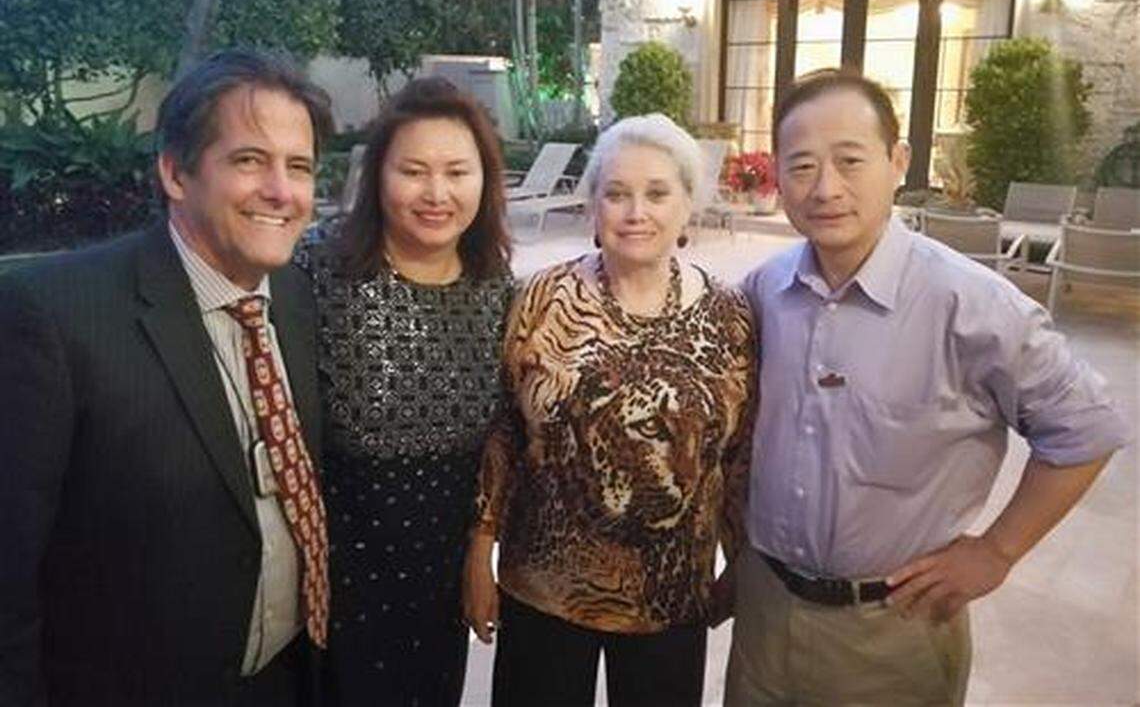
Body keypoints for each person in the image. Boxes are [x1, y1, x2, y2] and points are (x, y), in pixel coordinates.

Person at [727, 68, 1131, 706]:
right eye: (801, 166)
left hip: (895, 629)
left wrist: (998, 550)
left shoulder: (970, 302)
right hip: (764, 612)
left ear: (898, 162)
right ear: (778, 178)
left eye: (850, 160)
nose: (826, 188)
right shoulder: (762, 292)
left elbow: (1086, 428)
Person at [0, 49, 335, 706]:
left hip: (286, 680)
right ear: (176, 172)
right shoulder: (54, 316)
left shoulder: (293, 296)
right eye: (249, 160)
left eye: (299, 167)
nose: (281, 191)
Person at [463, 113, 756, 707]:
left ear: (687, 206)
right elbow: (503, 432)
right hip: (545, 586)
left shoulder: (731, 315)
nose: (635, 212)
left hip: (670, 594)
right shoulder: (541, 297)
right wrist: (478, 548)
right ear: (594, 206)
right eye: (615, 194)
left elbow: (738, 450)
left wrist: (740, 555)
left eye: (656, 193)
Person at [298, 77, 514, 706]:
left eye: (457, 171)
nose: (437, 193)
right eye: (413, 171)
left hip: (439, 573)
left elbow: (505, 436)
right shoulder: (317, 269)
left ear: (484, 180)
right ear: (379, 176)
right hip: (333, 577)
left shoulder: (497, 289)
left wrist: (482, 551)